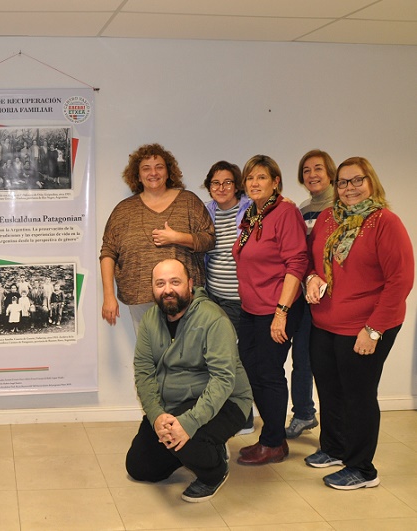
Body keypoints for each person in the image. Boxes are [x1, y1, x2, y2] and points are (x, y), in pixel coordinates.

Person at [305, 157, 413, 489]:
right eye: (343, 182)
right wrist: (311, 277)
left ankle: (362, 469)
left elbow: (401, 281)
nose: (349, 188)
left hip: (366, 327)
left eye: (357, 181)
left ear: (371, 182)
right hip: (324, 323)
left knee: (358, 396)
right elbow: (315, 262)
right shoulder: (326, 218)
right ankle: (335, 449)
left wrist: (374, 329)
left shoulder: (385, 222)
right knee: (330, 390)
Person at [126, 259, 252, 503]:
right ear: (152, 288)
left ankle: (215, 470)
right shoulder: (151, 320)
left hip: (226, 402)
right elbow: (143, 371)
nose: (168, 290)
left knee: (181, 435)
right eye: (160, 283)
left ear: (190, 284)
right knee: (139, 467)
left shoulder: (214, 319)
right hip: (173, 403)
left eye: (175, 282)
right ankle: (198, 446)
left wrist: (189, 423)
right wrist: (157, 416)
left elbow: (223, 380)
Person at [232, 155, 308, 466]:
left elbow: (297, 263)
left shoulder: (285, 211)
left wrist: (281, 312)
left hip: (276, 309)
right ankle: (270, 437)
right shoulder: (252, 213)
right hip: (251, 309)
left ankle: (274, 443)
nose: (254, 183)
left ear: (275, 181)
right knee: (254, 372)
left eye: (261, 177)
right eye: (250, 178)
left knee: (269, 374)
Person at [100, 143, 215, 336]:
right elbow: (108, 252)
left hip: (183, 297)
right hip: (140, 297)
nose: (153, 172)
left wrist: (178, 238)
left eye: (159, 167)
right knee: (150, 355)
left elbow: (209, 240)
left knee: (186, 354)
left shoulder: (188, 201)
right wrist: (108, 295)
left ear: (169, 172)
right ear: (137, 175)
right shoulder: (123, 210)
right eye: (146, 168)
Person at [284, 150, 336, 438]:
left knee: (328, 362)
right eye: (306, 170)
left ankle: (337, 429)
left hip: (335, 299)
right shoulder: (302, 209)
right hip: (307, 297)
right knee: (302, 358)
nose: (312, 174)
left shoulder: (341, 206)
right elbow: (300, 255)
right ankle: (304, 413)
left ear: (330, 172)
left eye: (318, 168)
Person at [202, 160, 255, 435]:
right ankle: (224, 411)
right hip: (214, 295)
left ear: (237, 185)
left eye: (227, 182)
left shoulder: (250, 210)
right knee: (216, 356)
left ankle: (244, 415)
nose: (221, 188)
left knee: (234, 357)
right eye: (215, 183)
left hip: (238, 297)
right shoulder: (207, 212)